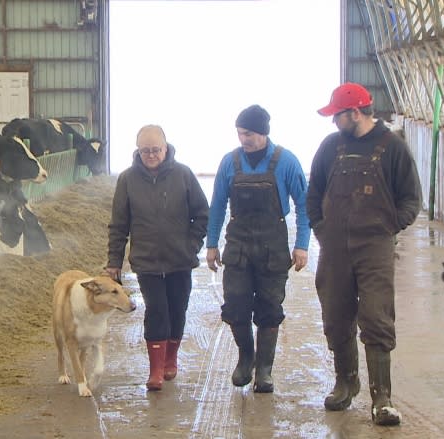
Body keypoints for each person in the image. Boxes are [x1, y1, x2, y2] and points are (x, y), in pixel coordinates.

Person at [308, 83, 422, 425]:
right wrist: (321, 228)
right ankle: (346, 383)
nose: (333, 122)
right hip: (335, 247)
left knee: (376, 316)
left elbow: (411, 199)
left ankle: (381, 398)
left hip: (375, 247)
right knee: (336, 314)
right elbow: (313, 192)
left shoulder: (393, 148)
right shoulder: (331, 147)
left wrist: (389, 227)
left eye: (337, 116)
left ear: (355, 113)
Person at [206, 104, 310, 394]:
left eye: (248, 133)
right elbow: (217, 205)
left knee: (269, 307)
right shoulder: (230, 162)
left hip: (272, 245)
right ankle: (245, 358)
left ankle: (264, 369)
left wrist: (302, 245)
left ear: (263, 132)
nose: (243, 139)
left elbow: (304, 206)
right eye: (240, 133)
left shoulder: (286, 161)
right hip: (238, 244)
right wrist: (211, 244)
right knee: (236, 305)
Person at [106, 125, 209, 391]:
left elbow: (202, 214)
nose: (150, 155)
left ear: (166, 148)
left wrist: (192, 246)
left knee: (177, 310)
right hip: (146, 260)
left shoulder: (183, 175)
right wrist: (114, 261)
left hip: (179, 260)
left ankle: (170, 359)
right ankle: (155, 371)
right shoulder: (127, 179)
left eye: (155, 150)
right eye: (145, 151)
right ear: (137, 151)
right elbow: (119, 223)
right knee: (156, 311)